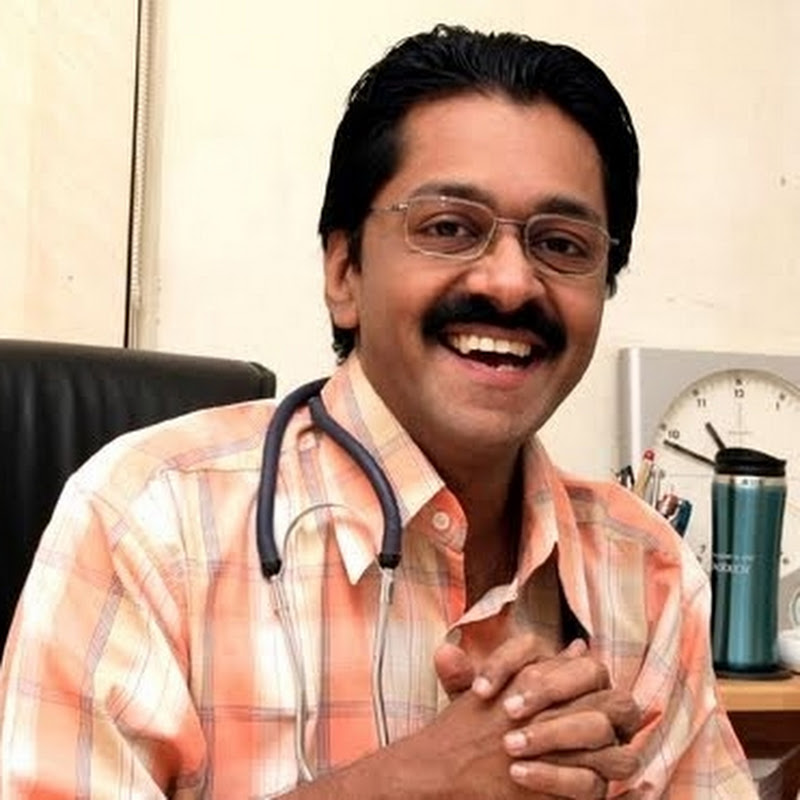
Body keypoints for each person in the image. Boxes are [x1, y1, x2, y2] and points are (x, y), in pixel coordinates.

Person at [0, 24, 755, 799]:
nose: (510, 283)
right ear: (344, 273)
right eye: (449, 228)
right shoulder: (148, 522)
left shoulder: (647, 572)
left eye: (561, 244)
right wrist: (416, 783)